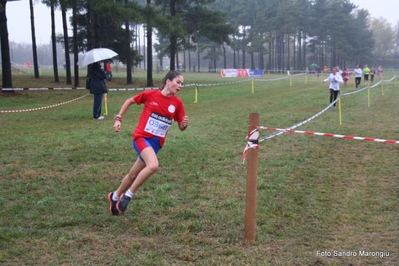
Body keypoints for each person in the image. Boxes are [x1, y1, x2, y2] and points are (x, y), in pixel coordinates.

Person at [108, 71, 189, 216]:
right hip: (141, 138)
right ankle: (127, 196)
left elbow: (181, 127)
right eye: (178, 82)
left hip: (156, 144)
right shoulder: (150, 95)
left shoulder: (178, 103)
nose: (180, 86)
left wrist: (184, 124)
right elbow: (129, 101)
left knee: (133, 175)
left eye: (182, 83)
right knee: (153, 165)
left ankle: (114, 196)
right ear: (168, 81)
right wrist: (118, 118)